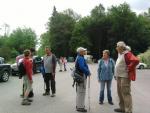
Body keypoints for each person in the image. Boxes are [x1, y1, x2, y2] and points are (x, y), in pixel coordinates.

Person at [114, 41, 139, 113]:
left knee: (125, 93)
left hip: (124, 76)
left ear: (121, 47)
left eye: (117, 46)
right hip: (119, 76)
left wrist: (129, 67)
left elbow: (136, 60)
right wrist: (115, 74)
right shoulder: (120, 54)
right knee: (119, 92)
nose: (116, 48)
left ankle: (128, 110)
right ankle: (122, 108)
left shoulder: (127, 53)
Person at [75, 47, 91, 112]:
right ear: (80, 52)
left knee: (79, 91)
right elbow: (82, 67)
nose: (85, 51)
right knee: (81, 92)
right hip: (81, 76)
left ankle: (78, 105)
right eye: (84, 51)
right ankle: (80, 107)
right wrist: (88, 72)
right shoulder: (80, 58)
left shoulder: (78, 57)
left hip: (79, 76)